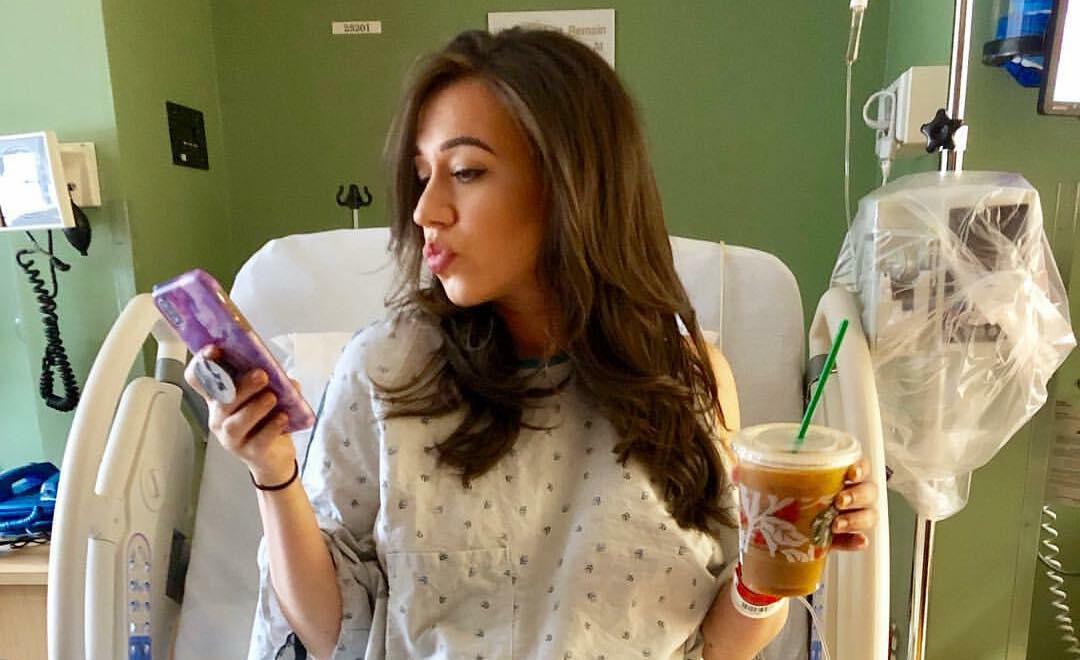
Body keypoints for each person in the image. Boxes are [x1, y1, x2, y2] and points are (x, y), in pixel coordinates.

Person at [187, 27, 878, 660]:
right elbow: (331, 630)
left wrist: (781, 551)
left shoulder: (686, 378)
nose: (426, 210)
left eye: (466, 171)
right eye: (423, 176)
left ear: (571, 182)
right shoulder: (390, 371)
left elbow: (719, 644)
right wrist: (272, 468)